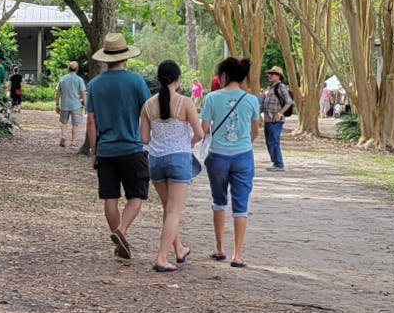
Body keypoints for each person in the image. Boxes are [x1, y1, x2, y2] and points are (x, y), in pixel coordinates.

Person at [84, 33, 150, 261]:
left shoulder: (94, 85)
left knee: (110, 198)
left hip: (106, 149)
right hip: (132, 147)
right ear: (126, 57)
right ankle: (121, 231)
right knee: (136, 196)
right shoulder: (136, 81)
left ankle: (119, 240)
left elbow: (91, 121)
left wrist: (93, 151)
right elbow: (148, 111)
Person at [140, 60, 205, 272]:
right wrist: (188, 142)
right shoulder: (185, 102)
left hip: (156, 160)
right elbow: (200, 133)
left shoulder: (148, 105)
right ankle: (161, 257)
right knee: (174, 211)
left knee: (168, 209)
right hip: (179, 158)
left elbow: (144, 138)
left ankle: (179, 249)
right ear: (178, 79)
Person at [201, 57, 263, 268]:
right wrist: (242, 143)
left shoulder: (211, 98)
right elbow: (255, 132)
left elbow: (204, 129)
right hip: (243, 156)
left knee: (218, 202)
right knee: (241, 206)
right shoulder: (252, 100)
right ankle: (237, 255)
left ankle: (219, 248)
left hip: (217, 156)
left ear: (224, 75)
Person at [260, 65, 294, 171]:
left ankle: (279, 164)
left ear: (278, 76)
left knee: (274, 141)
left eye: (272, 74)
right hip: (268, 119)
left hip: (275, 120)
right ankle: (275, 163)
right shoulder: (271, 88)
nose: (270, 75)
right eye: (269, 74)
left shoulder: (281, 87)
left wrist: (279, 113)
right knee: (269, 142)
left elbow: (289, 102)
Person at [55, 61, 87, 149]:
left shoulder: (63, 79)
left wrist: (57, 104)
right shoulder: (79, 79)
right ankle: (73, 142)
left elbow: (58, 92)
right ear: (77, 69)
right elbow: (83, 93)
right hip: (76, 105)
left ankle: (63, 136)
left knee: (64, 122)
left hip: (64, 104)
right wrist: (85, 104)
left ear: (68, 68)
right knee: (75, 124)